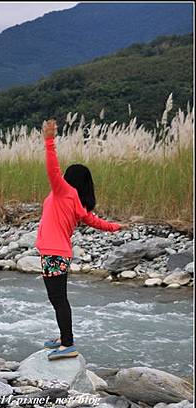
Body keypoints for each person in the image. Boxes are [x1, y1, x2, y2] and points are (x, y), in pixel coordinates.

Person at [35, 119, 129, 360]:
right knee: (58, 298)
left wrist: (49, 140)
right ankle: (64, 338)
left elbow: (52, 168)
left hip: (54, 253)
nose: (62, 177)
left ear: (70, 179)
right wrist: (117, 227)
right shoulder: (78, 203)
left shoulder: (64, 191)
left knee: (57, 299)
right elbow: (98, 223)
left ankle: (67, 343)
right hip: (58, 253)